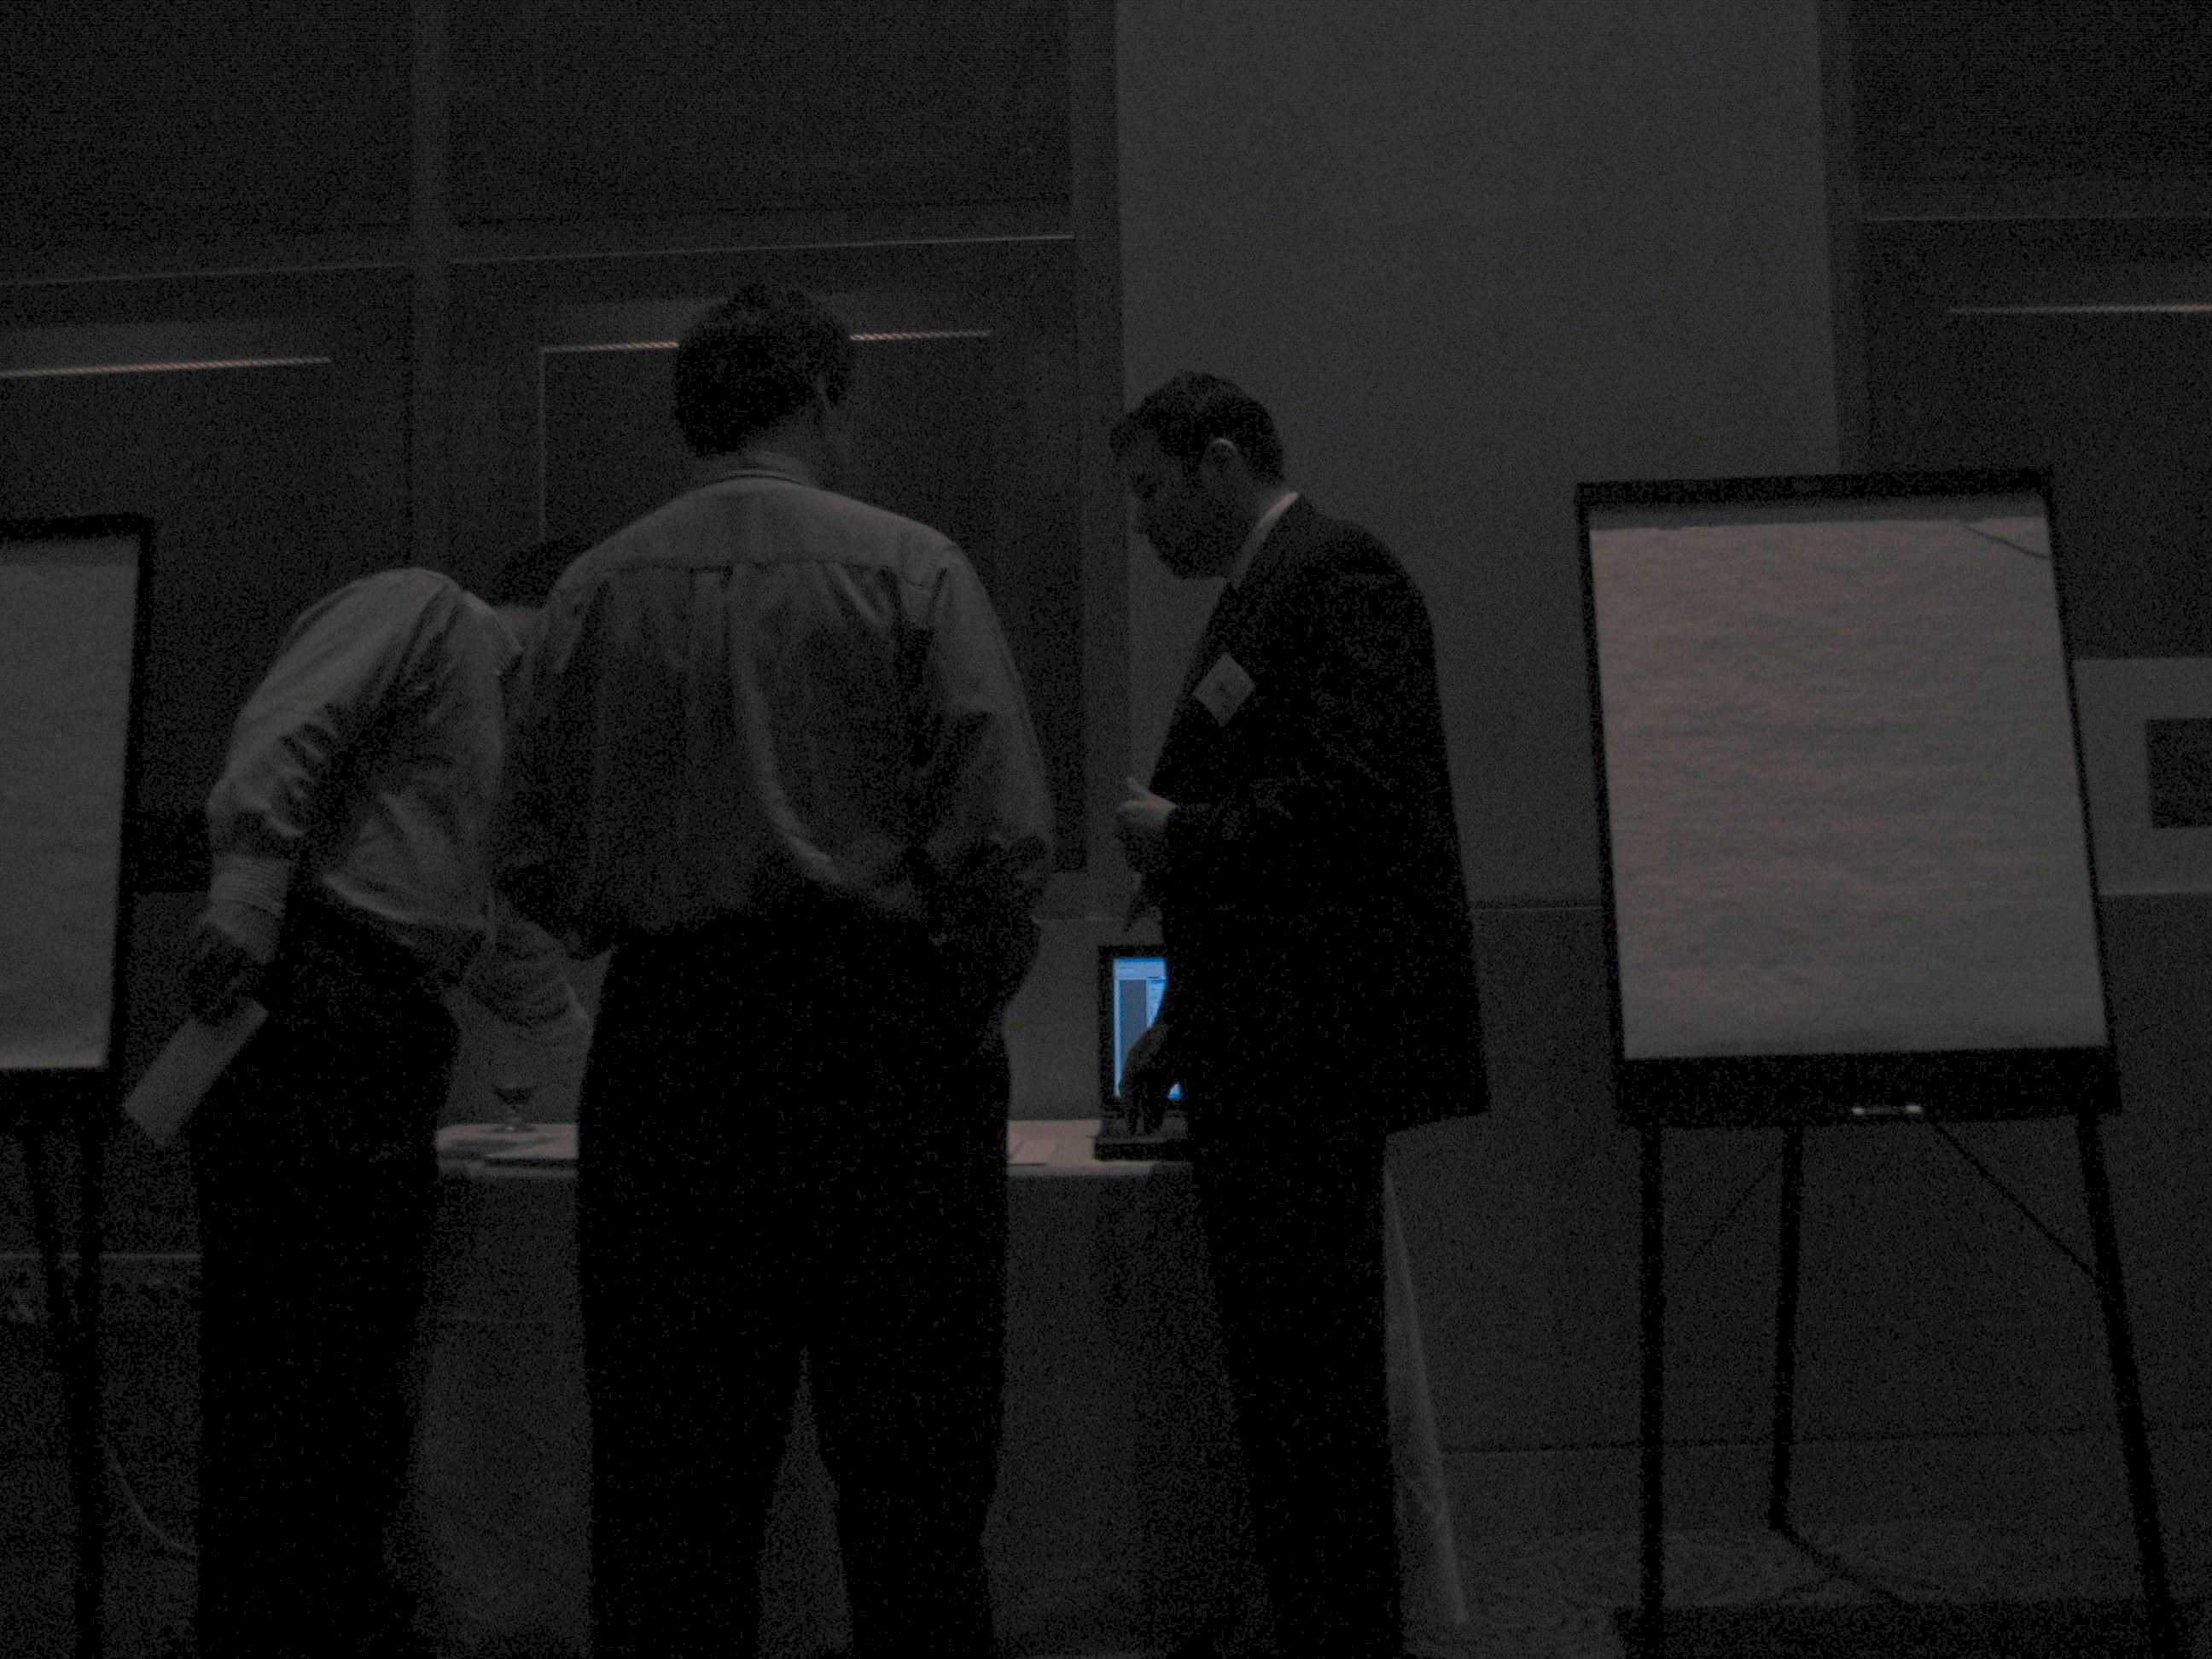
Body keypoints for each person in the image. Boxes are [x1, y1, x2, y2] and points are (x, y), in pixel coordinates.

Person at [494, 282, 1053, 1659]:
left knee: (671, 1491)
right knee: (916, 1485)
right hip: (879, 1037)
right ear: (816, 394)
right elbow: (998, 840)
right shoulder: (913, 568)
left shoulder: (592, 588)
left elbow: (528, 856)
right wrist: (954, 1001)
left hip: (672, 1046)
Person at [1111, 372, 1487, 1659]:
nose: (1141, 522)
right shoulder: (1271, 588)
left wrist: (1181, 837)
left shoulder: (1336, 578)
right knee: (1289, 1390)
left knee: (1312, 1393)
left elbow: (1354, 808)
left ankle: (1340, 1634)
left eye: (1153, 489)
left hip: (1308, 1059)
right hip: (1267, 1048)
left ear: (1222, 462)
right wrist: (1188, 1020)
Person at [183, 554, 588, 1659]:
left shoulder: (515, 724)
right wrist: (248, 898)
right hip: (324, 995)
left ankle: (321, 1616)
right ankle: (281, 1627)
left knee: (347, 1363)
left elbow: (498, 926)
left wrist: (591, 1057)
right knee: (294, 1362)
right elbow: (291, 725)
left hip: (383, 1015)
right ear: (563, 612)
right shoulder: (429, 612)